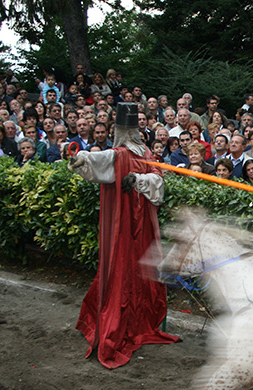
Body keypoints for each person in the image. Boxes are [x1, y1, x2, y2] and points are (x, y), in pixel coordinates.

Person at [67, 102, 181, 369]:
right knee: (122, 268)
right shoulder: (118, 154)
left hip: (141, 224)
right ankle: (121, 323)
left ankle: (140, 322)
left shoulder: (145, 153)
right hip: (124, 224)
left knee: (139, 268)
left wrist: (138, 181)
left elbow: (158, 182)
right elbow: (98, 161)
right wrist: (80, 158)